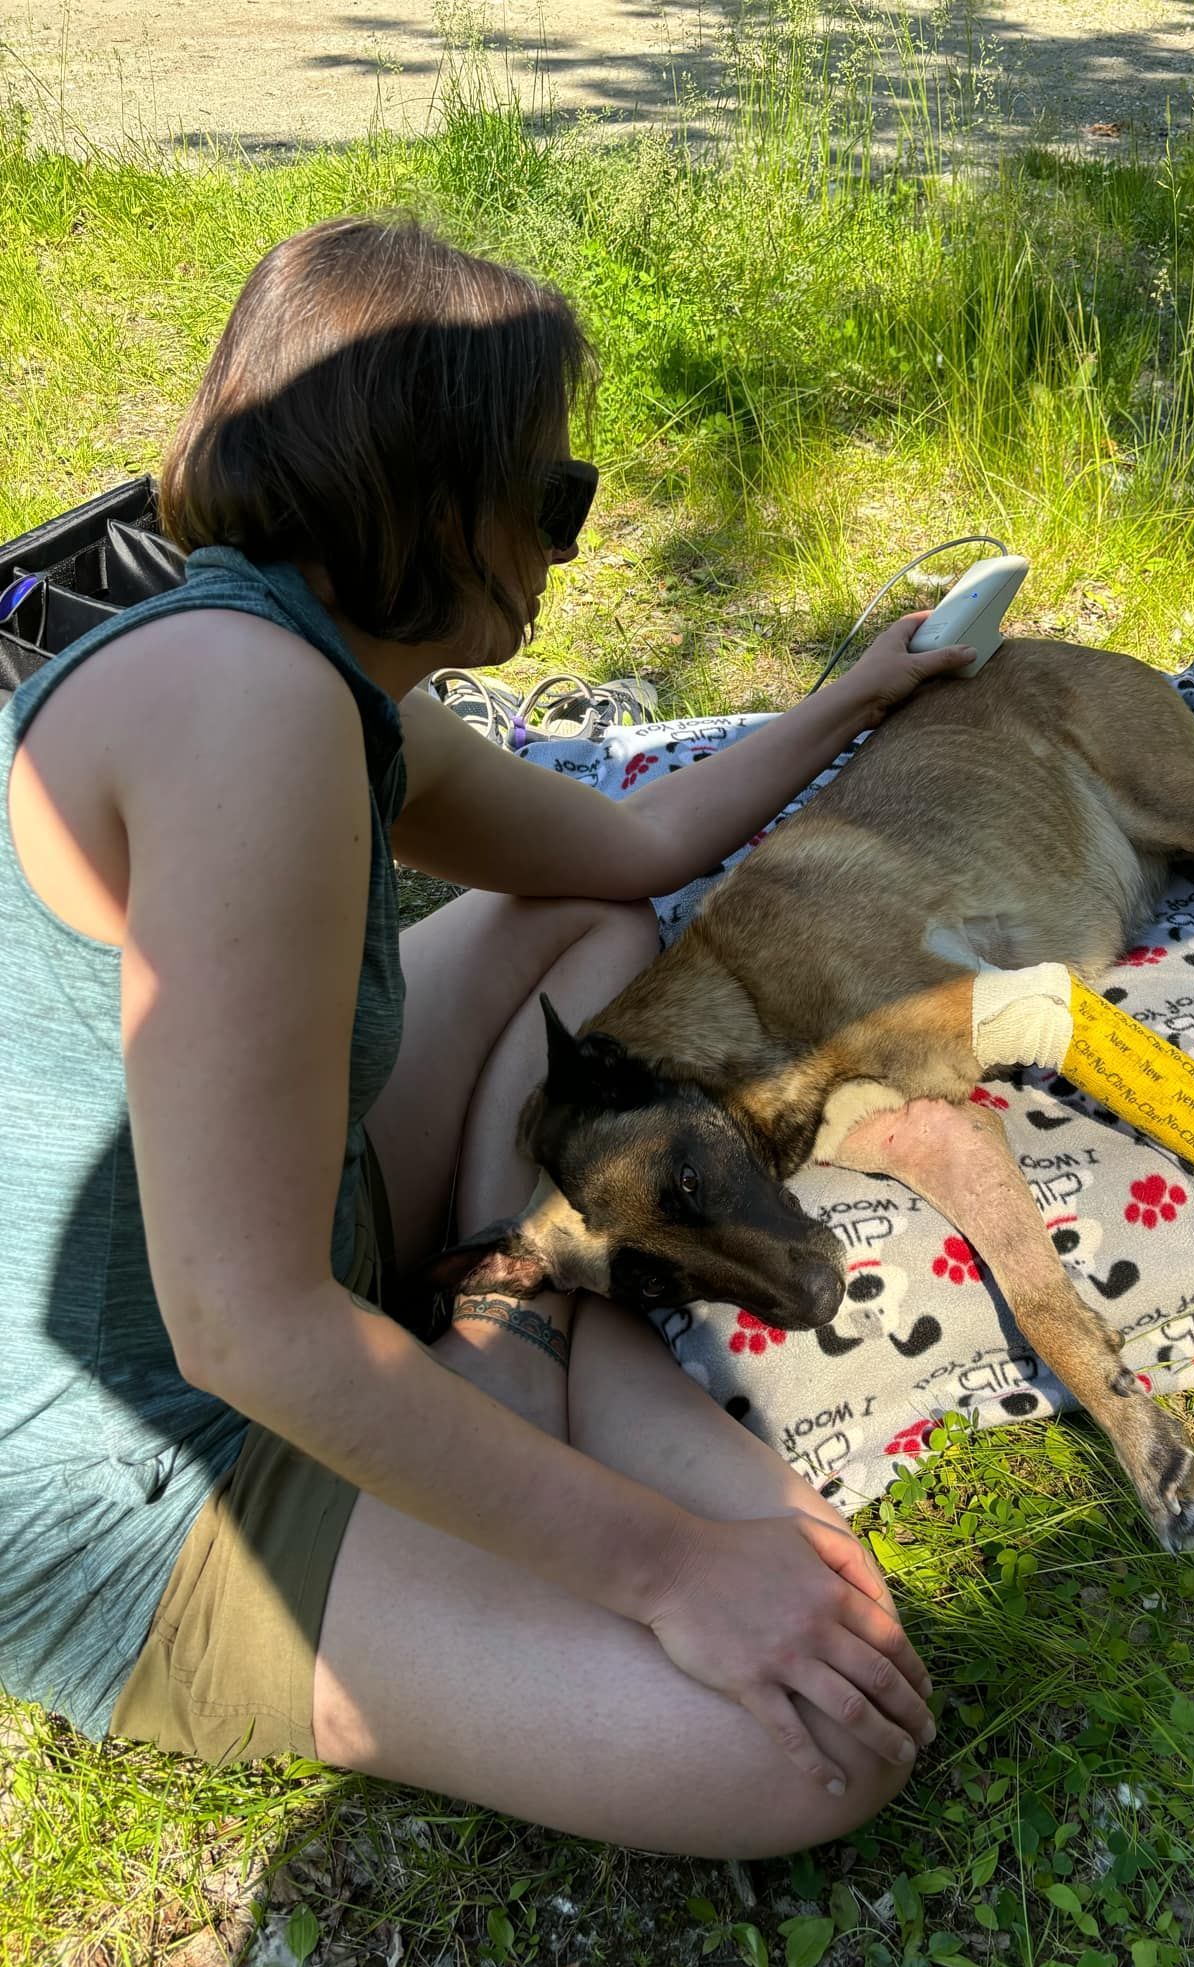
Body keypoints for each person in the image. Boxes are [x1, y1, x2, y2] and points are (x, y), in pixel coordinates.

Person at [0, 216, 980, 1858]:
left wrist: (847, 702)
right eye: (557, 496)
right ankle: (533, 1321)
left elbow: (622, 857)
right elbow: (237, 1329)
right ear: (441, 502)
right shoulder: (251, 722)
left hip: (274, 1247)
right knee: (807, 1751)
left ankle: (505, 1302)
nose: (570, 545)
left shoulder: (303, 667)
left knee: (578, 937)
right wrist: (665, 1568)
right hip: (137, 1465)